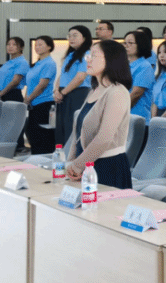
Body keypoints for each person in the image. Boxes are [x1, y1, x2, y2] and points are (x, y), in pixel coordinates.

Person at [64, 39, 133, 189]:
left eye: (93, 55)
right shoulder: (94, 91)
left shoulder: (117, 92)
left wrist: (77, 165)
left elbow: (104, 138)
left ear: (110, 59)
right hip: (85, 164)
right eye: (88, 55)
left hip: (108, 167)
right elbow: (78, 135)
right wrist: (71, 163)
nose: (88, 59)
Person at [53, 25, 92, 147]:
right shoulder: (70, 54)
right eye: (69, 36)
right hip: (63, 93)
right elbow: (62, 75)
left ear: (85, 38)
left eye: (75, 35)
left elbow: (80, 77)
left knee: (71, 126)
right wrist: (56, 90)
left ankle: (72, 156)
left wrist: (63, 92)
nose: (71, 38)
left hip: (77, 93)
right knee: (61, 127)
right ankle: (61, 154)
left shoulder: (88, 54)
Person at [24, 36, 57, 154]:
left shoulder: (49, 63)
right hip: (33, 104)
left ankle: (44, 161)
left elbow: (42, 85)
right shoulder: (37, 64)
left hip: (44, 104)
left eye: (40, 44)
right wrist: (26, 99)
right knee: (33, 134)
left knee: (43, 137)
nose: (37, 47)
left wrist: (29, 99)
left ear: (49, 47)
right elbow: (30, 84)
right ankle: (35, 159)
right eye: (36, 45)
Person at [123, 29, 155, 122]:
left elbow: (136, 93)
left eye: (130, 43)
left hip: (137, 118)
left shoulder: (144, 66)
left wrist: (119, 111)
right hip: (124, 117)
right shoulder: (124, 65)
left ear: (140, 45)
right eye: (125, 43)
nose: (126, 45)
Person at [0, 37, 29, 103]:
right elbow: (1, 79)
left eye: (14, 44)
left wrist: (0, 94)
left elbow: (15, 82)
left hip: (12, 95)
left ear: (21, 47)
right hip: (1, 94)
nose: (10, 46)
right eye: (8, 44)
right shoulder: (7, 63)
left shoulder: (22, 62)